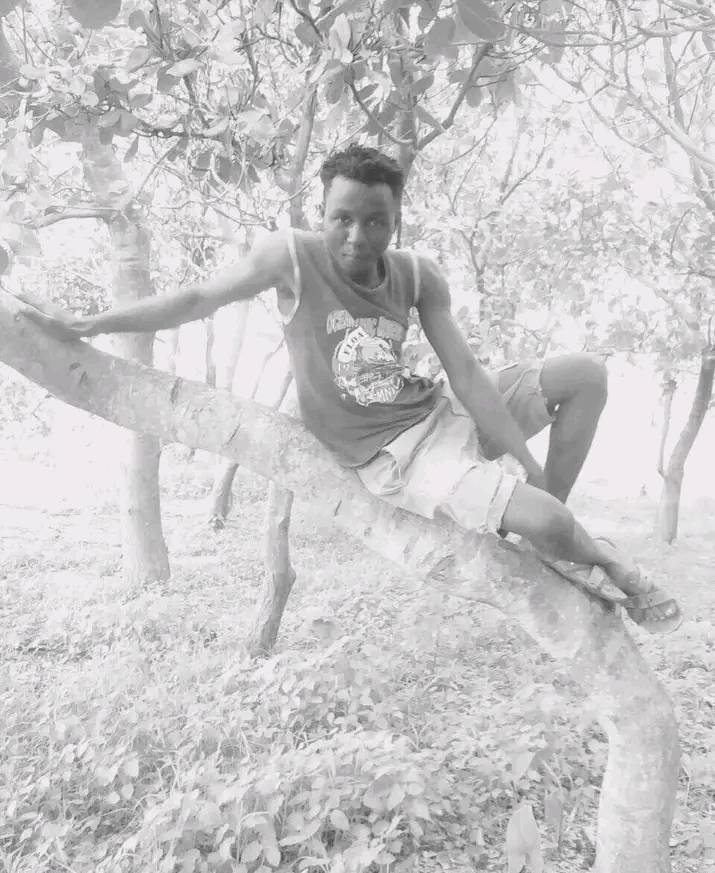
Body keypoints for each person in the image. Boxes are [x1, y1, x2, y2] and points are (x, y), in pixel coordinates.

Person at [17, 144, 681, 633]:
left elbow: (467, 375)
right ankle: (604, 561)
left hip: (441, 409)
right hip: (399, 454)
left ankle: (548, 526)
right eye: (342, 219)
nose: (358, 237)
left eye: (376, 221)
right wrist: (93, 323)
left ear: (396, 220)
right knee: (554, 522)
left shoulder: (417, 275)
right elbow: (197, 298)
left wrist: (531, 467)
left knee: (585, 374)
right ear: (322, 213)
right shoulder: (290, 258)